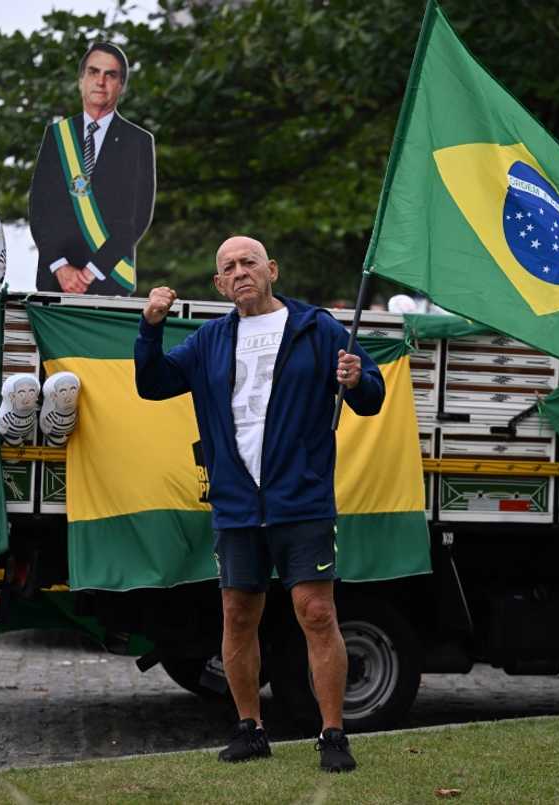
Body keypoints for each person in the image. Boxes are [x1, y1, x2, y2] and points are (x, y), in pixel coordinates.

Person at [134, 236, 384, 773]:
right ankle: (250, 729)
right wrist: (150, 326)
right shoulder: (209, 340)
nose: (240, 272)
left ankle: (333, 734)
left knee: (316, 613)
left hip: (302, 499)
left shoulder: (317, 328)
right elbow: (152, 385)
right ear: (219, 284)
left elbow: (371, 396)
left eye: (249, 262)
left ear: (271, 269)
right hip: (237, 504)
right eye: (228, 267)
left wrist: (358, 378)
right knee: (237, 614)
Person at [29, 41, 156, 296]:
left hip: (110, 280)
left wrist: (91, 272)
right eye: (93, 72)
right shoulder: (57, 135)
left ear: (121, 85)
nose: (100, 81)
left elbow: (138, 217)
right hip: (55, 281)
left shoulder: (138, 141)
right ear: (81, 81)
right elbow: (39, 209)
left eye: (111, 75)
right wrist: (60, 266)